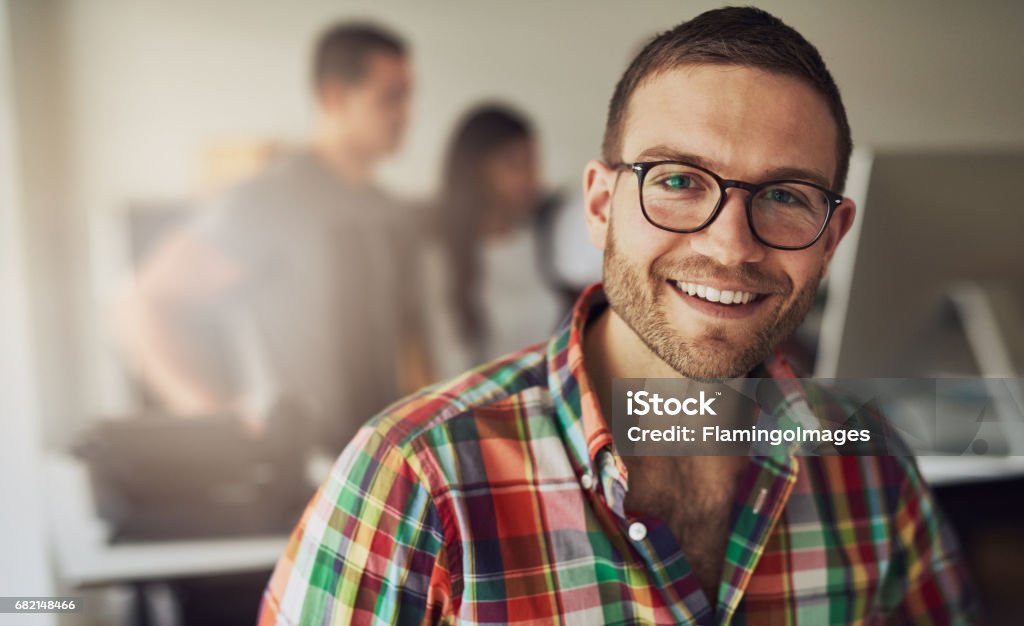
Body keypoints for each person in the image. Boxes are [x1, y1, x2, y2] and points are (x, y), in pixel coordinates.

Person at [258, 8, 979, 625]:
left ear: (833, 236)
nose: (730, 245)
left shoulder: (872, 467)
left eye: (787, 196)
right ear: (600, 207)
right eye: (677, 181)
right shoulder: (414, 478)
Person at [117, 22, 429, 453]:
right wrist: (215, 416)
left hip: (377, 463)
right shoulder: (266, 201)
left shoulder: (389, 211)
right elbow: (141, 303)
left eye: (408, 96)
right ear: (334, 97)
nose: (406, 115)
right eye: (390, 97)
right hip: (296, 468)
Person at [429, 104, 564, 378]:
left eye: (533, 161)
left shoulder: (544, 238)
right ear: (476, 171)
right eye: (515, 163)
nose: (531, 177)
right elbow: (446, 367)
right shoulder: (440, 260)